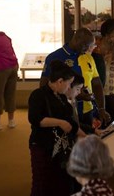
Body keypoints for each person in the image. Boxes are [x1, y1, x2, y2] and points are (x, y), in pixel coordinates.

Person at [28, 59, 80, 196]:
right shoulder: (38, 95)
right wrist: (59, 122)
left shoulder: (61, 97)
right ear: (60, 81)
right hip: (43, 145)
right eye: (68, 84)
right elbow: (35, 119)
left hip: (61, 148)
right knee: (42, 183)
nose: (69, 88)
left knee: (61, 182)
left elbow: (70, 122)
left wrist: (88, 133)